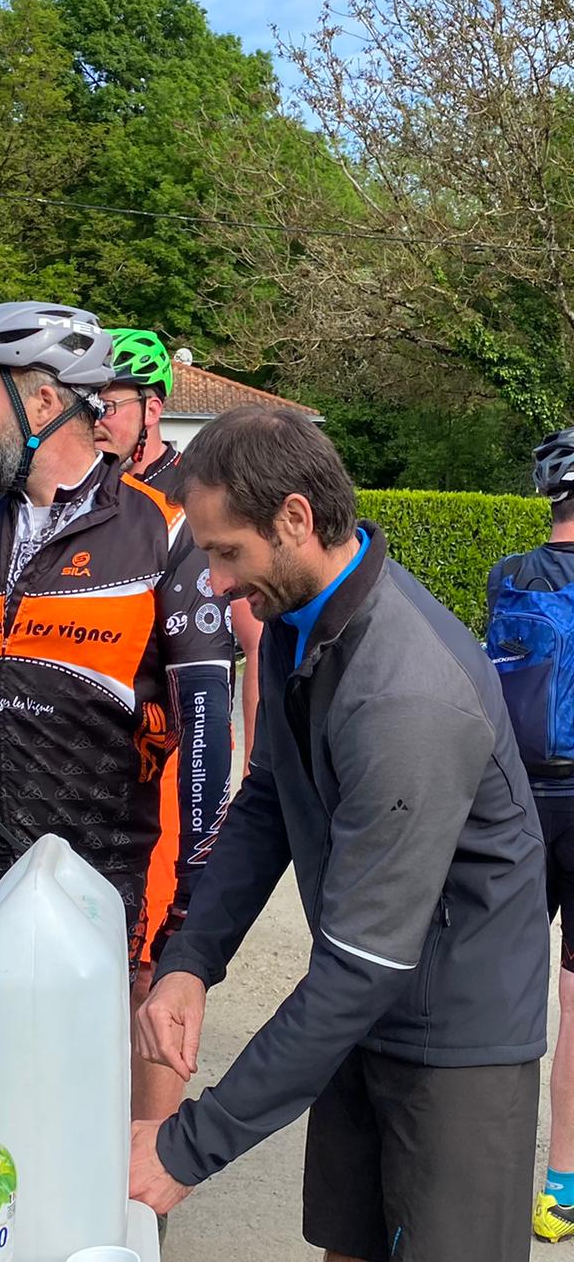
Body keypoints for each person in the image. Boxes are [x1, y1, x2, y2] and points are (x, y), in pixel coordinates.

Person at [131, 405, 549, 1262]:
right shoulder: (297, 617)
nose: (215, 584)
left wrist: (186, 1148)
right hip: (359, 999)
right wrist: (190, 959)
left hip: (453, 1033)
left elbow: (364, 966)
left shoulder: (406, 694)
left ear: (294, 518)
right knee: (348, 1244)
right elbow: (266, 798)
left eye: (226, 553)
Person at [0, 301, 232, 1159]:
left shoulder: (163, 533)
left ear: (46, 400)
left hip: (89, 885)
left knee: (57, 1157)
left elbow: (207, 732)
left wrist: (189, 915)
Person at [92, 328, 250, 1124]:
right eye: (87, 403)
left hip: (164, 763)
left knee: (153, 967)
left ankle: (149, 1154)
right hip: (85, 774)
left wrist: (251, 774)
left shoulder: (191, 496)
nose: (96, 419)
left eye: (110, 405)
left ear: (153, 409)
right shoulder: (85, 493)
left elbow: (242, 640)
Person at [485, 426, 574, 1244]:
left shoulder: (508, 575)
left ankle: (489, 1174)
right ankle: (561, 1188)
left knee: (503, 985)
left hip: (521, 799)